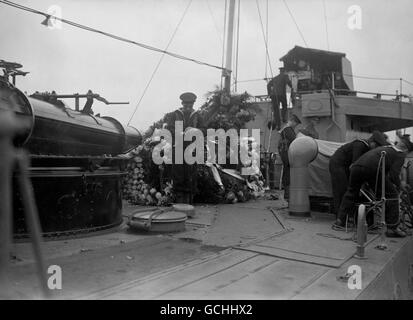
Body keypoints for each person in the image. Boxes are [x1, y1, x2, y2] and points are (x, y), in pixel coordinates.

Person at [333, 135, 413, 237]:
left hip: (356, 167)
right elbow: (394, 174)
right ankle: (392, 228)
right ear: (406, 149)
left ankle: (340, 220)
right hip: (373, 169)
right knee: (392, 195)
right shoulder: (400, 154)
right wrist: (400, 185)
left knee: (351, 193)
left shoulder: (385, 148)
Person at [329, 131, 389, 216]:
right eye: (376, 146)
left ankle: (347, 215)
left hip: (345, 166)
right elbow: (354, 165)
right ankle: (340, 217)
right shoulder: (360, 145)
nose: (376, 149)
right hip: (338, 164)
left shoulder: (367, 149)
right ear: (372, 142)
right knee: (341, 190)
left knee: (348, 190)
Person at [164, 92, 202, 204]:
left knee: (191, 173)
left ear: (193, 104)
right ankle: (179, 200)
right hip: (178, 147)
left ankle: (189, 201)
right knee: (178, 173)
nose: (188, 107)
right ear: (182, 103)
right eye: (186, 104)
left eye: (190, 104)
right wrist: (179, 133)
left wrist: (195, 130)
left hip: (192, 148)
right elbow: (168, 130)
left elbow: (204, 129)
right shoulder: (174, 115)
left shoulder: (198, 115)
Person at [278, 114, 301, 201]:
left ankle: (287, 193)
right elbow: (294, 140)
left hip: (285, 153)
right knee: (288, 172)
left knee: (287, 171)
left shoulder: (286, 129)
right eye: (296, 123)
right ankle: (288, 194)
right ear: (292, 121)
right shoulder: (288, 129)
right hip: (287, 153)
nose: (296, 125)